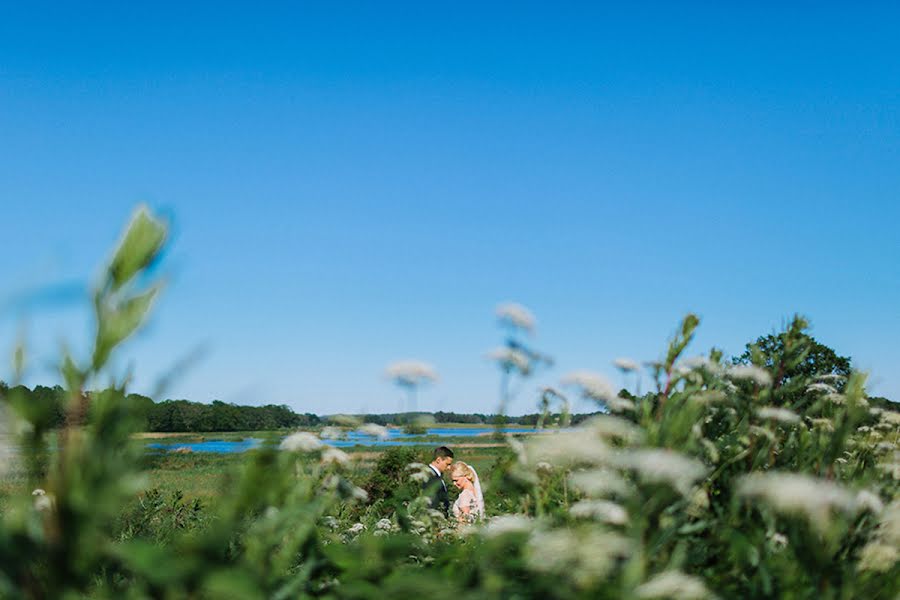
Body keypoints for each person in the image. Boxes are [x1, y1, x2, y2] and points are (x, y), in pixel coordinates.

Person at [423, 446, 453, 515]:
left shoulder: (435, 475)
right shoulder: (430, 477)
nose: (449, 468)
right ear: (438, 460)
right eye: (447, 464)